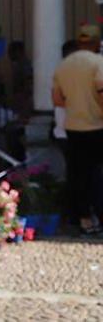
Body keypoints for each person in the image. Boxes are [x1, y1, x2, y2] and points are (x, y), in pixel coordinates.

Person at [52, 24, 103, 235]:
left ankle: (83, 219)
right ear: (96, 43)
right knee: (98, 173)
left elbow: (57, 100)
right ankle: (99, 215)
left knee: (78, 174)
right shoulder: (99, 62)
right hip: (97, 125)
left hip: (73, 128)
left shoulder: (64, 65)